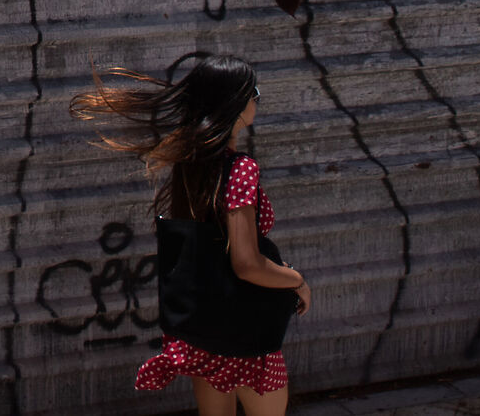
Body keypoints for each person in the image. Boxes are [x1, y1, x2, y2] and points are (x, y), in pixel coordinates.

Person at [74, 56, 307, 416]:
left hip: (206, 331)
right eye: (254, 94)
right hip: (248, 334)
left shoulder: (190, 164)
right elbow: (246, 263)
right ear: (235, 104)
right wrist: (296, 280)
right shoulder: (241, 169)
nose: (257, 101)